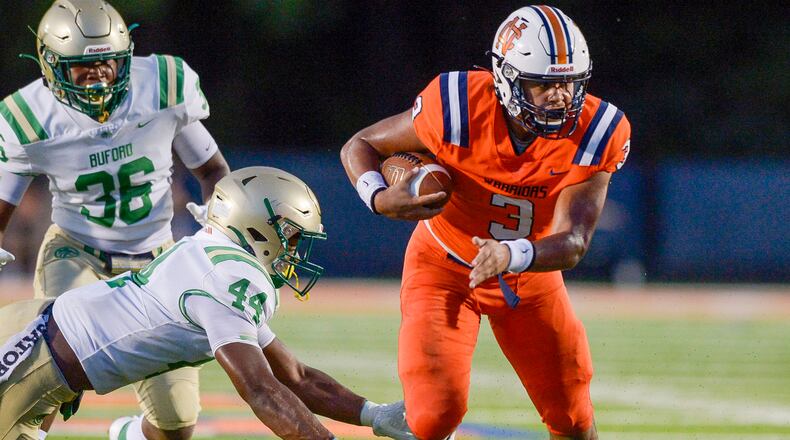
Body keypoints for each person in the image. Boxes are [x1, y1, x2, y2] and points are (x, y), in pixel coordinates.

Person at [340, 5, 632, 440]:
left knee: (571, 417)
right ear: (506, 78)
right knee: (433, 417)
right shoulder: (457, 105)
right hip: (443, 265)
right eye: (543, 84)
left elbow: (572, 242)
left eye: (569, 83)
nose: (559, 97)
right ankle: (413, 415)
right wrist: (378, 198)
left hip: (528, 274)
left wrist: (510, 255)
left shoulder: (597, 130)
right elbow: (361, 143)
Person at [0, 166, 415, 440]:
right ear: (257, 228)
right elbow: (260, 390)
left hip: (47, 351)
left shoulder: (217, 257)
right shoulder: (229, 277)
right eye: (290, 237)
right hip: (35, 357)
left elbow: (295, 376)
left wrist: (373, 415)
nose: (293, 252)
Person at [0, 1, 230, 438]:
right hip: (76, 254)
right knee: (48, 372)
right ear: (50, 66)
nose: (99, 77)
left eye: (107, 62)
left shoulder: (162, 87)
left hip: (159, 262)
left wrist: (218, 232)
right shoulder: (29, 115)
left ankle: (130, 434)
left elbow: (212, 171)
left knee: (176, 423)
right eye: (83, 68)